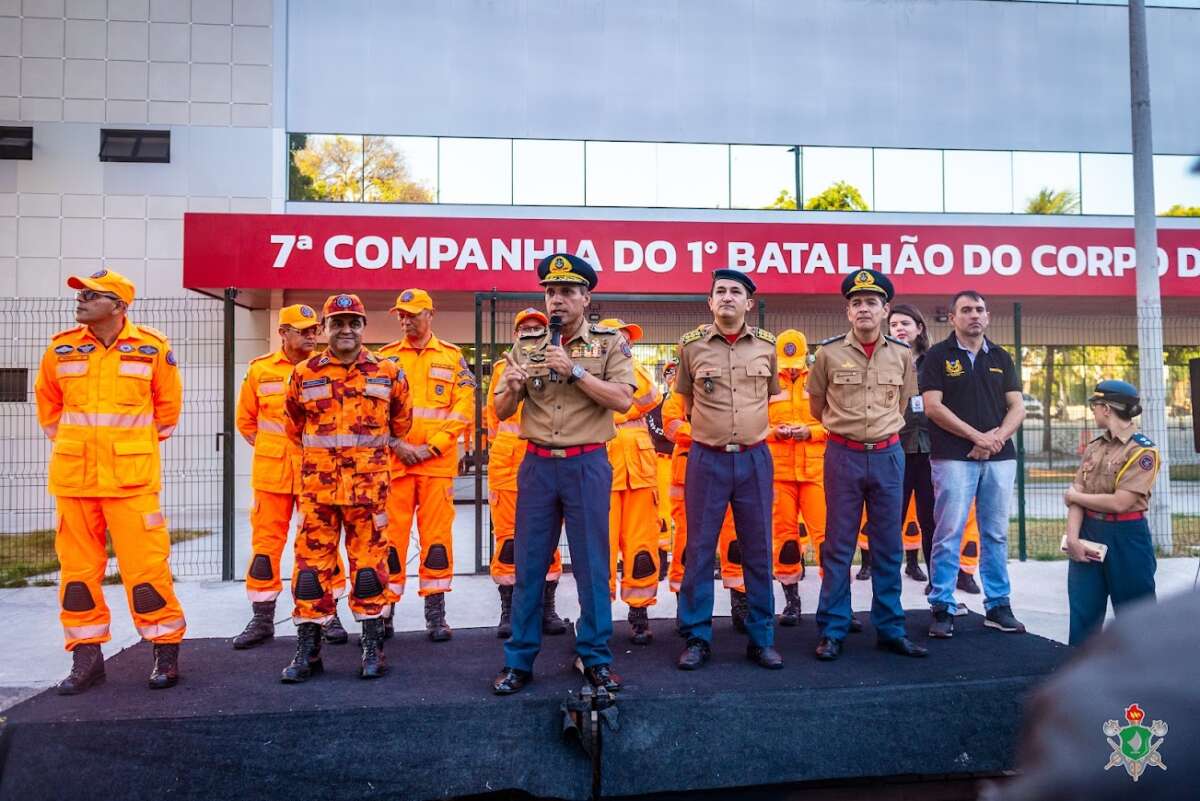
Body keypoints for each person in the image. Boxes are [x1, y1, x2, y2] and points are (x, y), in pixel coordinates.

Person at [35, 268, 186, 693]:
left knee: (147, 572)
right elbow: (48, 407)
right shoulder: (61, 349)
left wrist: (129, 449)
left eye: (91, 294)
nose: (80, 299)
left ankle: (164, 650)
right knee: (78, 575)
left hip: (131, 483)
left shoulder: (152, 348)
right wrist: (75, 446)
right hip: (75, 482)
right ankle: (86, 659)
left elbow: (167, 411)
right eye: (80, 294)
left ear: (118, 306)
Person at [491, 253, 635, 696]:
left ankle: (594, 658)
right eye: (550, 292)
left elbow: (623, 400)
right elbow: (499, 410)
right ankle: (519, 661)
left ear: (585, 298)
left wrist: (573, 372)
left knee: (593, 566)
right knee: (530, 566)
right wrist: (510, 391)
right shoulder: (526, 344)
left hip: (587, 464)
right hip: (536, 466)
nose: (557, 301)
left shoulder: (610, 343)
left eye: (567, 292)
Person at [281, 293, 412, 682]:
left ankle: (373, 647)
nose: (346, 329)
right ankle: (308, 649)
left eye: (353, 322)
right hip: (318, 494)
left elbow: (401, 425)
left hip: (368, 493)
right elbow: (293, 427)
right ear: (324, 329)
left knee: (370, 570)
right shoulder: (304, 374)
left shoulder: (388, 372)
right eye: (337, 322)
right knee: (309, 573)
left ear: (363, 328)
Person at [807, 269, 926, 662]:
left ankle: (890, 628)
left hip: (889, 455)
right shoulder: (827, 354)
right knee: (839, 547)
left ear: (885, 309)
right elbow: (816, 406)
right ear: (848, 311)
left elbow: (904, 404)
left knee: (888, 546)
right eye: (856, 302)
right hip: (843, 455)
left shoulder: (903, 354)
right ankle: (833, 628)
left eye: (871, 302)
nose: (863, 309)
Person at [675, 269, 784, 671]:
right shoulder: (691, 348)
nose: (726, 297)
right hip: (708, 459)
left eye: (735, 292)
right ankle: (697, 638)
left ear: (748, 303)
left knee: (758, 551)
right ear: (709, 302)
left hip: (755, 459)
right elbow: (684, 402)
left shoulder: (767, 348)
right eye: (719, 291)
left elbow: (771, 397)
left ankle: (762, 638)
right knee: (700, 552)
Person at [232, 304, 349, 649]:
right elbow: (247, 422)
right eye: (303, 330)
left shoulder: (326, 369)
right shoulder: (259, 370)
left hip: (317, 474)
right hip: (272, 475)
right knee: (266, 546)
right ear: (283, 333)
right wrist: (275, 449)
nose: (312, 336)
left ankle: (328, 614)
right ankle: (262, 616)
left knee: (320, 546)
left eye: (314, 330)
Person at [921, 290, 1026, 639]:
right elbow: (933, 406)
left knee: (995, 534)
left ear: (988, 315)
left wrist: (995, 439)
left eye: (980, 309)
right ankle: (942, 606)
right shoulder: (938, 356)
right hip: (953, 456)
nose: (974, 315)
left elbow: (1018, 407)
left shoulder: (1001, 356)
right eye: (966, 310)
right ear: (952, 318)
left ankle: (998, 605)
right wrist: (976, 438)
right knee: (948, 532)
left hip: (999, 458)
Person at [378, 289, 475, 642]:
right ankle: (385, 612)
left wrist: (434, 446)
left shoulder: (452, 357)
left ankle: (435, 614)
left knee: (436, 541)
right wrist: (396, 444)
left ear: (430, 314)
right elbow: (373, 410)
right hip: (396, 464)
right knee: (390, 541)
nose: (405, 320)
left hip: (436, 465)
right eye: (401, 315)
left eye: (413, 314)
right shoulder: (385, 359)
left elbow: (464, 407)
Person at [484, 308, 565, 638]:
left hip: (542, 458)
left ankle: (547, 608)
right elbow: (494, 417)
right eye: (525, 329)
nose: (530, 333)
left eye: (537, 329)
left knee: (548, 537)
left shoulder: (556, 366)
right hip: (507, 462)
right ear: (515, 336)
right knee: (507, 539)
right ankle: (510, 609)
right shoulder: (503, 369)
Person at [1063, 380, 1159, 646]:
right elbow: (1077, 493)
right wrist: (1072, 539)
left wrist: (1075, 496)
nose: (1093, 412)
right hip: (1089, 531)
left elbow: (1120, 502)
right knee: (1083, 613)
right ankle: (1081, 680)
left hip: (1127, 537)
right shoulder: (1095, 446)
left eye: (1094, 406)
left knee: (1135, 616)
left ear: (1106, 408)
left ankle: (1141, 680)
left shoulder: (1142, 450)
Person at [599, 317, 663, 644]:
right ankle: (598, 614)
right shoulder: (592, 372)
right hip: (604, 471)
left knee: (642, 544)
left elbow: (651, 398)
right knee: (602, 547)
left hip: (639, 469)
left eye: (628, 340)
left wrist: (623, 367)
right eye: (620, 339)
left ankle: (639, 613)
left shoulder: (636, 370)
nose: (627, 344)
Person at [763, 329, 826, 626]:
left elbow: (836, 422)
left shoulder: (817, 380)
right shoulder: (766, 383)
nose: (791, 369)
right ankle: (792, 600)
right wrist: (774, 432)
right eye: (786, 363)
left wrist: (810, 431)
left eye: (796, 363)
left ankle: (837, 601)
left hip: (816, 473)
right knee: (785, 540)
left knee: (828, 539)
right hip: (779, 473)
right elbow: (752, 423)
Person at [644, 360, 677, 580]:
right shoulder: (657, 404)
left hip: (685, 460)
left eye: (677, 372)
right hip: (663, 462)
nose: (673, 376)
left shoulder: (693, 401)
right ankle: (662, 562)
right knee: (662, 513)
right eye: (669, 373)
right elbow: (657, 431)